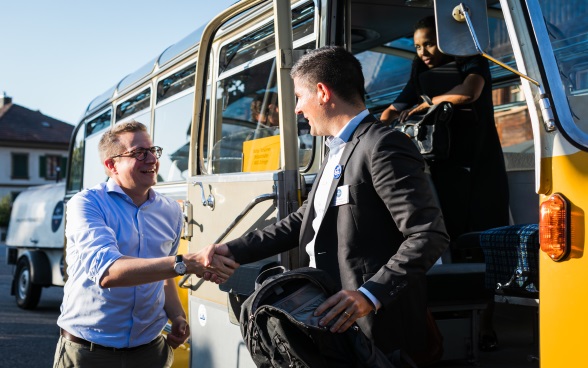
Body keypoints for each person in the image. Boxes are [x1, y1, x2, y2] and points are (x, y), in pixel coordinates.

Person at [203, 46, 449, 364]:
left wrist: (370, 295)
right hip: (337, 322)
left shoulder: (382, 146)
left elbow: (429, 235)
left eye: (298, 97)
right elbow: (307, 218)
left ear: (322, 92)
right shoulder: (337, 149)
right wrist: (233, 251)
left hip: (378, 329)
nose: (295, 109)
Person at [53, 121, 237, 368]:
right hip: (89, 352)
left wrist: (177, 315)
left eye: (153, 150)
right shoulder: (87, 204)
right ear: (111, 165)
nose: (152, 159)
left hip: (149, 351)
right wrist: (188, 263)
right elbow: (109, 272)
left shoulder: (171, 211)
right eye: (139, 153)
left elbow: (164, 275)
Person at [381, 16, 510, 351]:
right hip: (442, 170)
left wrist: (428, 103)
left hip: (481, 168)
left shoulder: (472, 62)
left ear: (448, 40)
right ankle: (447, 325)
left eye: (429, 43)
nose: (423, 52)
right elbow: (390, 112)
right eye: (418, 45)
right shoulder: (419, 71)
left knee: (484, 245)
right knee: (446, 243)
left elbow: (469, 94)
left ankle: (486, 323)